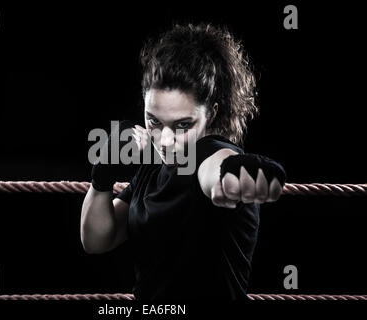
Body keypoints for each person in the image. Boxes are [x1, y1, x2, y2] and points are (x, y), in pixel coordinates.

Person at [81, 23, 286, 301]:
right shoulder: (151, 166)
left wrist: (233, 176)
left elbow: (216, 168)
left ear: (211, 114)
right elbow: (96, 240)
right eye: (154, 121)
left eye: (182, 125)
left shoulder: (210, 151)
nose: (165, 140)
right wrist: (102, 176)